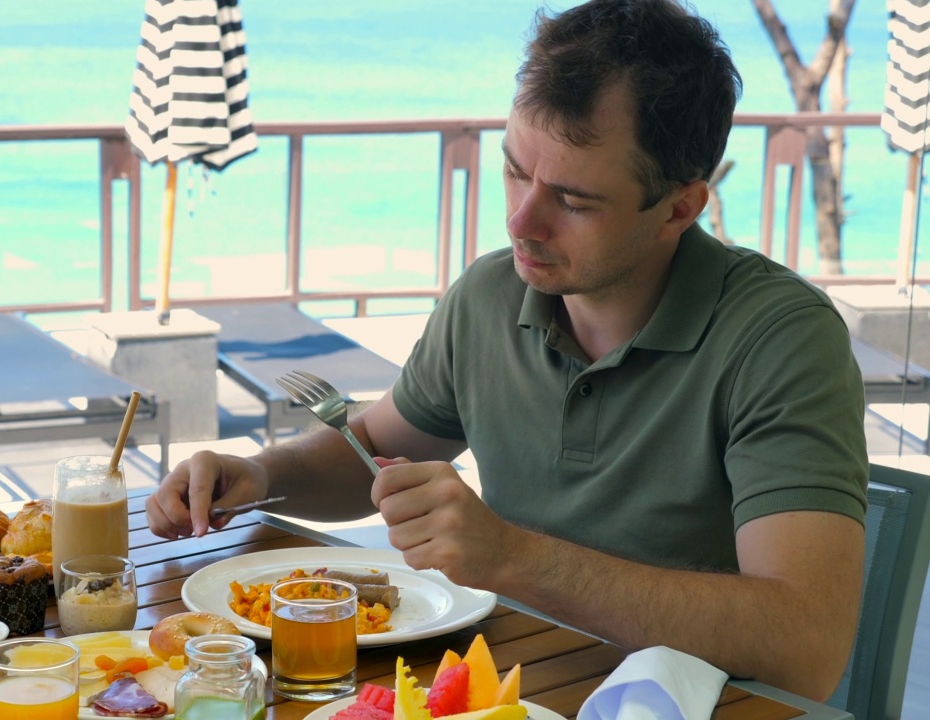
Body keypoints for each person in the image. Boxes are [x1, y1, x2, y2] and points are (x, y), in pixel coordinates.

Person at [147, 0, 867, 701]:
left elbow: (805, 648)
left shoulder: (781, 339)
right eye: (516, 170)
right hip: (512, 689)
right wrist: (257, 473)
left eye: (574, 201)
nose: (522, 222)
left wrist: (515, 558)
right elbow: (370, 446)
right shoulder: (492, 295)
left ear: (680, 207)